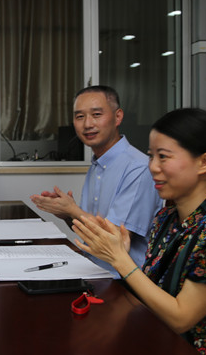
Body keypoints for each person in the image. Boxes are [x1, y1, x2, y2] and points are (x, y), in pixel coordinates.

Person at [71, 108, 206, 355]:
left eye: (163, 157)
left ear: (205, 162)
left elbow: (181, 318)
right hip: (158, 351)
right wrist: (121, 254)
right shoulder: (167, 218)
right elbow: (153, 293)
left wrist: (120, 260)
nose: (152, 167)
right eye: (151, 156)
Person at [30, 85, 162, 276]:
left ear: (118, 117)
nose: (87, 124)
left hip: (123, 280)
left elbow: (116, 240)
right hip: (92, 267)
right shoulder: (98, 164)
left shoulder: (138, 168)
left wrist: (72, 210)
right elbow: (90, 232)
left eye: (97, 114)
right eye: (79, 116)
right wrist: (66, 214)